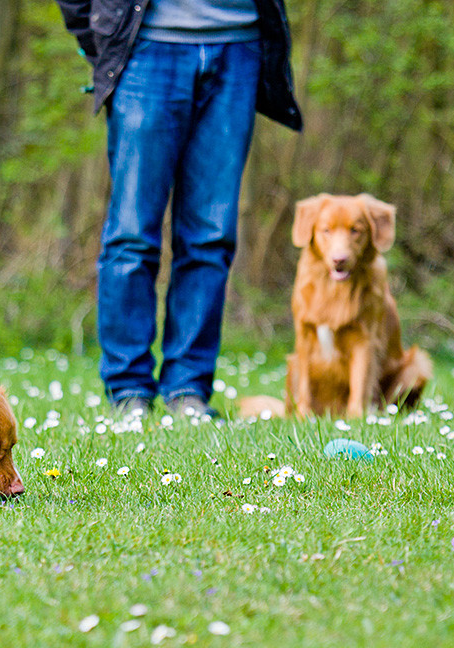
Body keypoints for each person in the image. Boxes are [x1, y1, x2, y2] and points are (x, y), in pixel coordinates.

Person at [55, 0, 302, 417]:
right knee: (131, 235)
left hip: (239, 46)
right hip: (148, 46)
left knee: (211, 236)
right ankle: (128, 390)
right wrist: (100, 34)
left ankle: (188, 390)